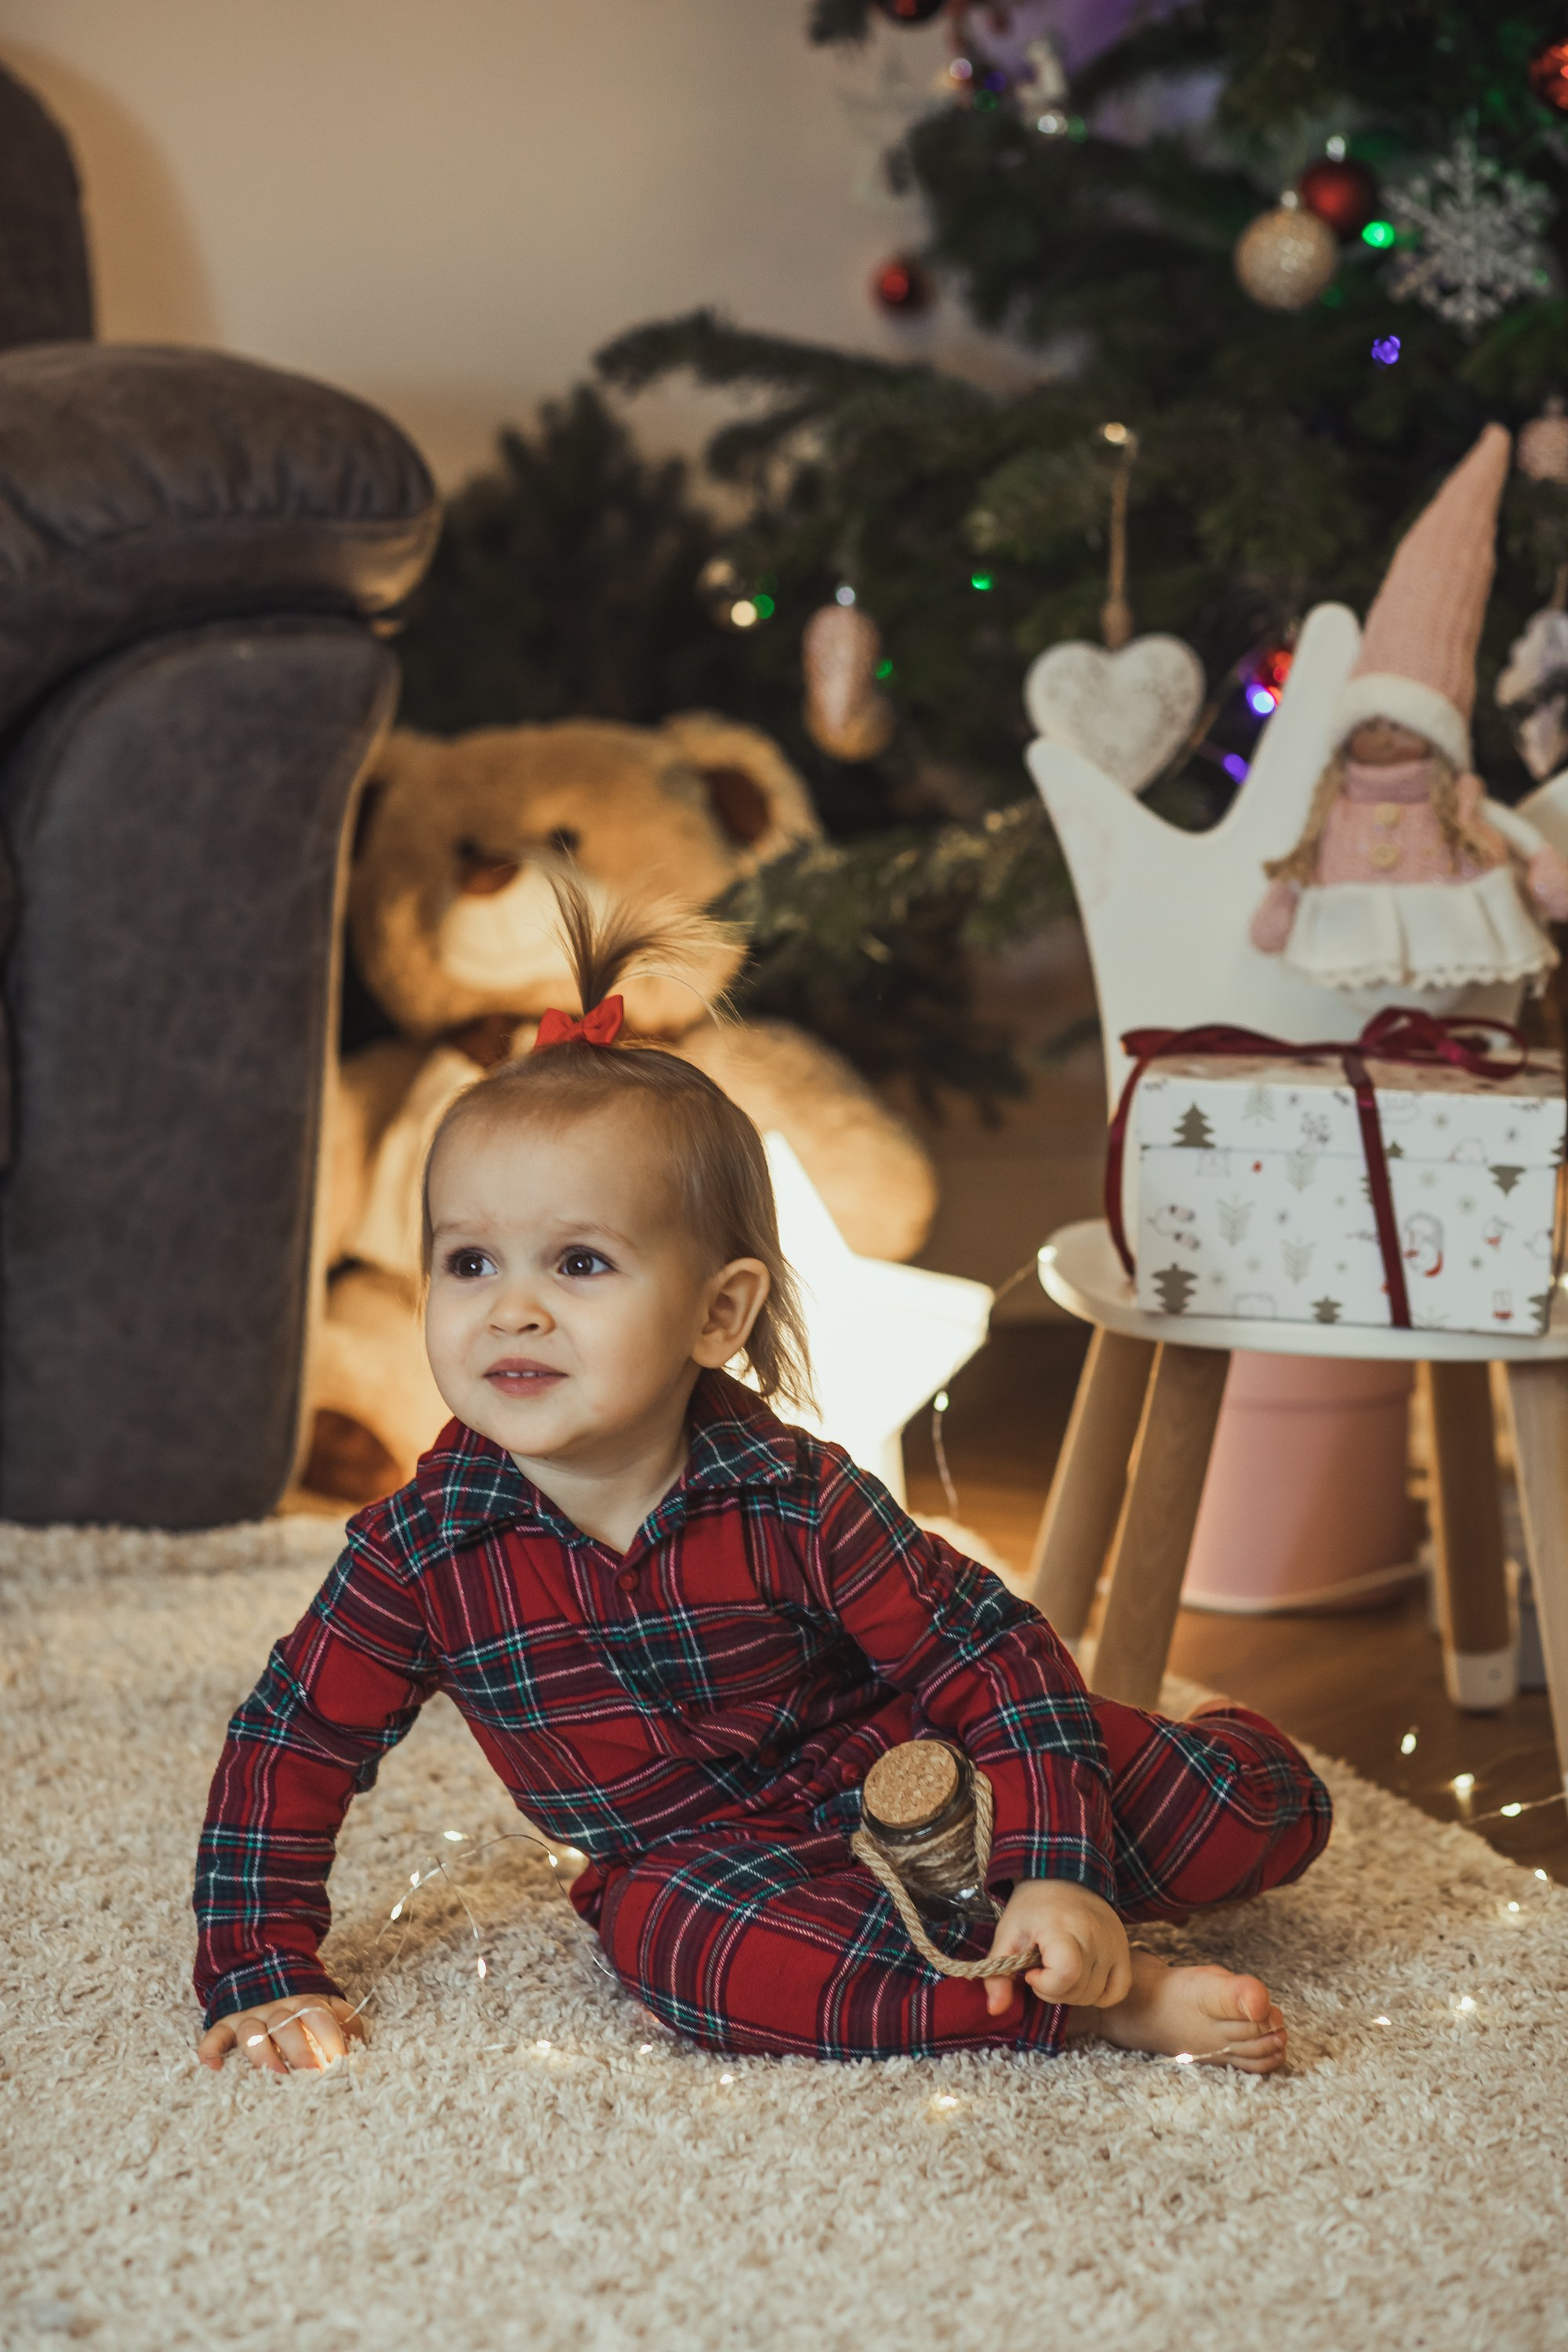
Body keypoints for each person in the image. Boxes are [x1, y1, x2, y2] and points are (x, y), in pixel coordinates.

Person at [194, 887, 1330, 2077]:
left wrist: (1056, 1865)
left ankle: (1220, 1768)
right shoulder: (420, 1554)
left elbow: (987, 1654)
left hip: (914, 1773)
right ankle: (1094, 2007)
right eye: (468, 1260)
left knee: (1216, 1815)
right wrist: (259, 1963)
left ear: (718, 1312)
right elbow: (294, 1739)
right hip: (698, 1862)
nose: (511, 1306)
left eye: (580, 1262)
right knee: (700, 1963)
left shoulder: (793, 1493)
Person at [1250, 423, 1568, 1003]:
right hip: (1350, 943)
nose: (1384, 738)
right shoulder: (1336, 806)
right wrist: (1283, 901)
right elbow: (1305, 857)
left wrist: (1543, 862)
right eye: (1369, 725)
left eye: (1402, 724)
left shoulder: (1457, 800)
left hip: (1452, 934)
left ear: (1436, 735)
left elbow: (1512, 832)